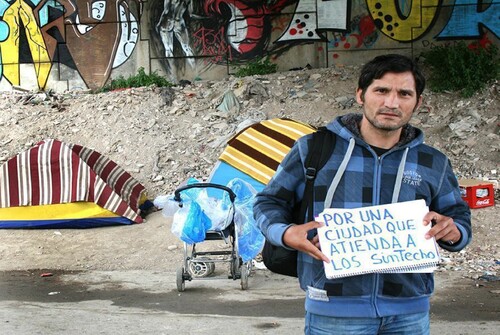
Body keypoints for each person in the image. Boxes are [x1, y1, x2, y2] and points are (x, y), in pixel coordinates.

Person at [253, 54, 472, 335]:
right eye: (381, 90)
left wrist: (453, 231)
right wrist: (284, 233)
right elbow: (268, 201)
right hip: (333, 312)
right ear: (360, 95)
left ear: (417, 103)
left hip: (409, 314)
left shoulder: (433, 162)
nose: (392, 103)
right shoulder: (315, 149)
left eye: (404, 94)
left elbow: (458, 216)